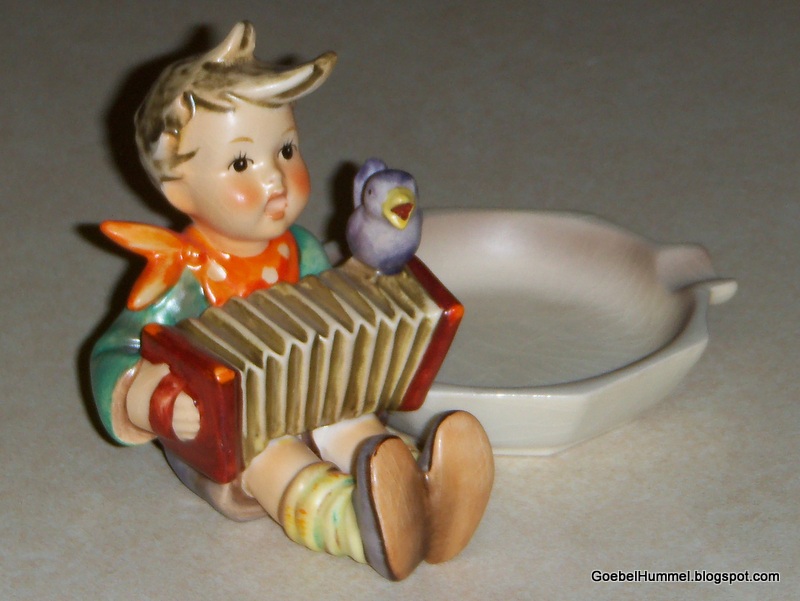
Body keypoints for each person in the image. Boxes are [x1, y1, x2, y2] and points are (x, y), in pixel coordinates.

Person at [91, 21, 493, 581]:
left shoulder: (300, 249)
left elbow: (334, 314)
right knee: (277, 458)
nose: (276, 180)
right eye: (241, 164)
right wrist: (155, 400)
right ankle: (363, 528)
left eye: (285, 150)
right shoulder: (180, 275)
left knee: (354, 422)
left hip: (313, 399)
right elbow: (114, 354)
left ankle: (424, 493)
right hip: (234, 441)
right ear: (179, 191)